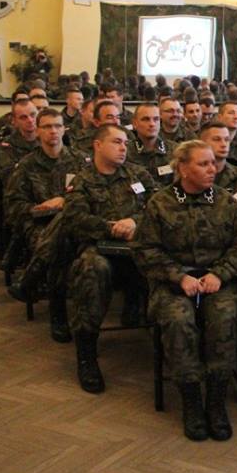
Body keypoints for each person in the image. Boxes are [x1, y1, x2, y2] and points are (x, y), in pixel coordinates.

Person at [135, 141, 237, 441]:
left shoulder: (226, 201)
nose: (213, 169)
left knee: (224, 316)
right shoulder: (160, 203)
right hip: (174, 283)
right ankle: (191, 400)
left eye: (213, 163)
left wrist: (220, 274)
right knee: (178, 319)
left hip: (217, 280)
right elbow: (146, 250)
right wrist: (178, 276)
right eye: (203, 164)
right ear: (183, 168)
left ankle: (216, 400)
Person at [63, 124, 158, 394]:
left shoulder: (138, 174)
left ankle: (169, 343)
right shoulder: (81, 180)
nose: (123, 148)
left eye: (125, 143)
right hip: (99, 248)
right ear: (98, 145)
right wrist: (112, 228)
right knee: (93, 269)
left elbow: (159, 206)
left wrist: (135, 221)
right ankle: (86, 354)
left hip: (136, 247)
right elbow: (75, 220)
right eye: (116, 142)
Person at [3, 108, 89, 341]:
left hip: (77, 225)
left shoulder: (80, 161)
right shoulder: (27, 165)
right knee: (60, 245)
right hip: (39, 225)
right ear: (38, 131)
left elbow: (92, 195)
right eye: (47, 126)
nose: (53, 131)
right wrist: (40, 208)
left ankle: (31, 279)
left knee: (64, 227)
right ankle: (58, 313)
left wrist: (65, 201)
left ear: (64, 129)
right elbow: (13, 206)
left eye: (58, 126)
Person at [199, 122, 237, 205]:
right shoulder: (192, 176)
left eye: (227, 140)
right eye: (217, 139)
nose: (224, 144)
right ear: (202, 143)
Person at [126, 103, 176, 187]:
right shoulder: (125, 152)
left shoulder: (175, 150)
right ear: (134, 123)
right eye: (146, 119)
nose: (152, 124)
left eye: (156, 119)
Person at [0, 99, 40, 189]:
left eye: (33, 115)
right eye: (23, 117)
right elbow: (7, 177)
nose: (30, 120)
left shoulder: (48, 139)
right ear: (14, 121)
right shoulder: (8, 144)